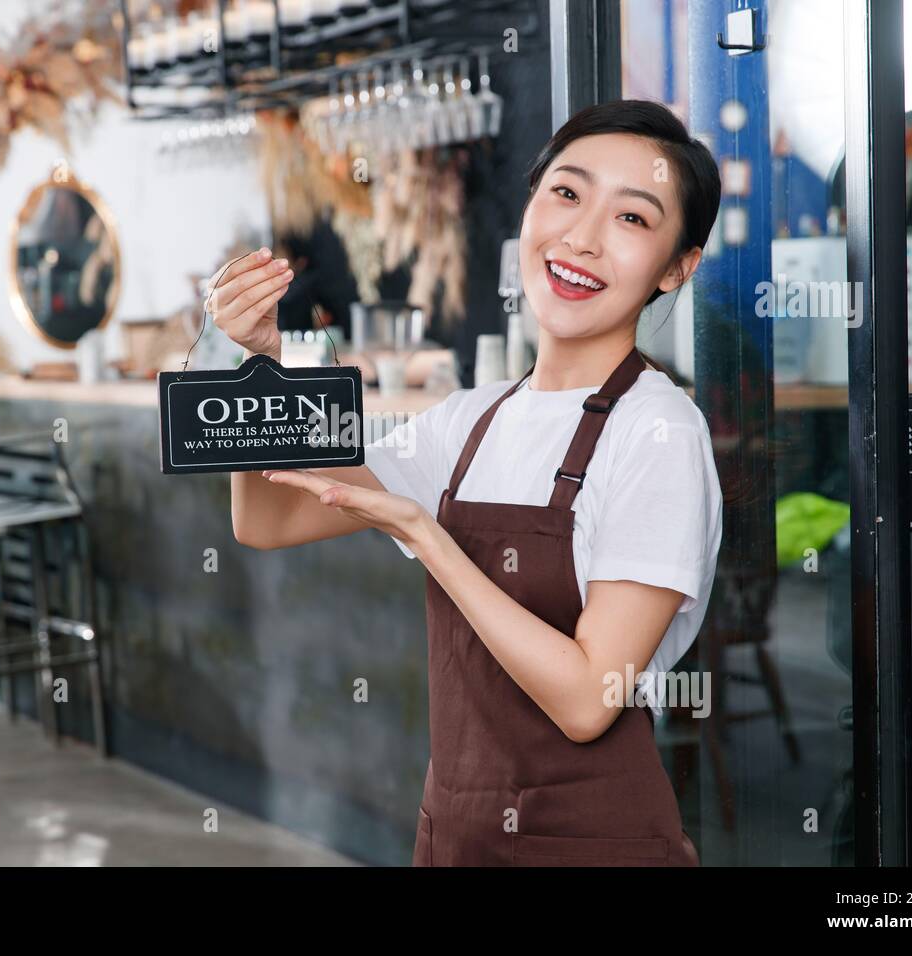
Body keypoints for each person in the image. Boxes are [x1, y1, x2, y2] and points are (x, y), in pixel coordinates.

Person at [211, 99, 723, 867]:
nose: (580, 236)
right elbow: (270, 519)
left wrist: (430, 537)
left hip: (594, 846)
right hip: (457, 839)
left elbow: (589, 700)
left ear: (677, 265)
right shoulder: (471, 419)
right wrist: (256, 365)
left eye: (633, 219)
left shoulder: (660, 433)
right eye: (567, 192)